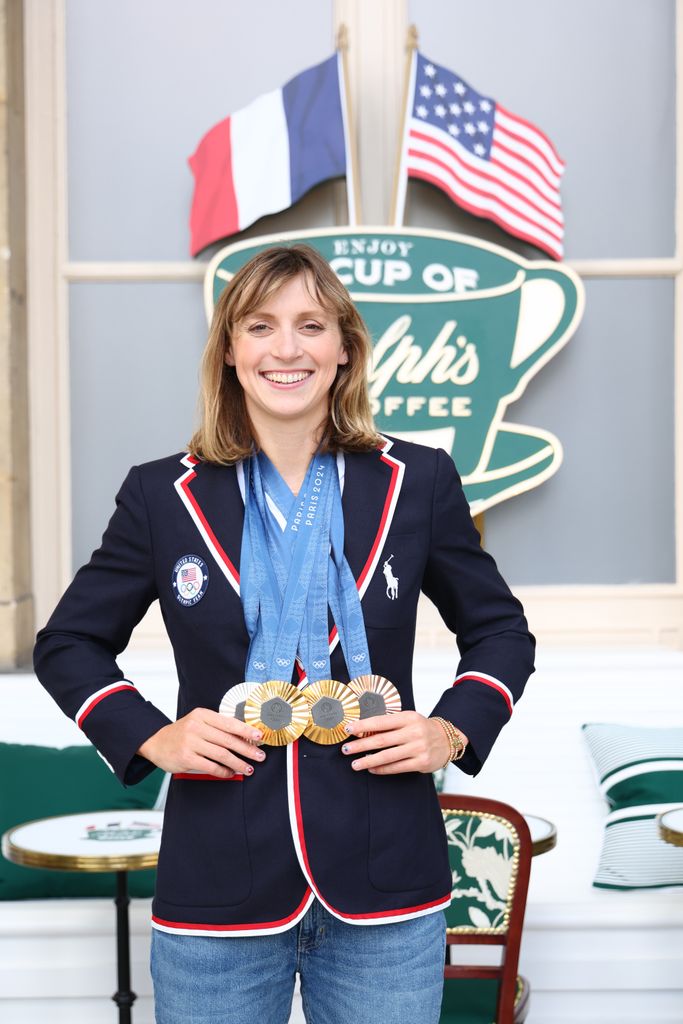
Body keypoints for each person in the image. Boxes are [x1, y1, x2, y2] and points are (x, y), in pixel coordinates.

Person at [34, 244, 535, 1024]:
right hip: (217, 884)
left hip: (385, 884)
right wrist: (151, 738)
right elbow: (67, 642)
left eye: (310, 325)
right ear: (230, 351)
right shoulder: (161, 496)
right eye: (260, 326)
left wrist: (450, 731)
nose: (287, 348)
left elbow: (502, 631)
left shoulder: (418, 480)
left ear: (343, 349)